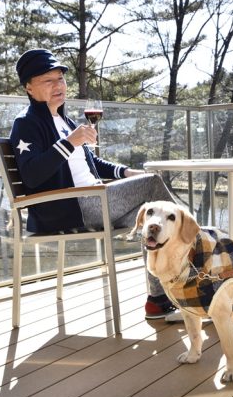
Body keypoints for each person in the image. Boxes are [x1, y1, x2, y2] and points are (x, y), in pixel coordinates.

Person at [9, 48, 177, 319]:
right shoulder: (26, 124)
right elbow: (31, 175)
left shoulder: (65, 121)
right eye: (47, 80)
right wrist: (70, 142)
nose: (58, 86)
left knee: (153, 220)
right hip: (69, 207)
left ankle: (159, 300)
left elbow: (93, 166)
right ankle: (196, 252)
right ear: (29, 88)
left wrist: (126, 173)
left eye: (60, 79)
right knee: (156, 192)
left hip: (93, 198)